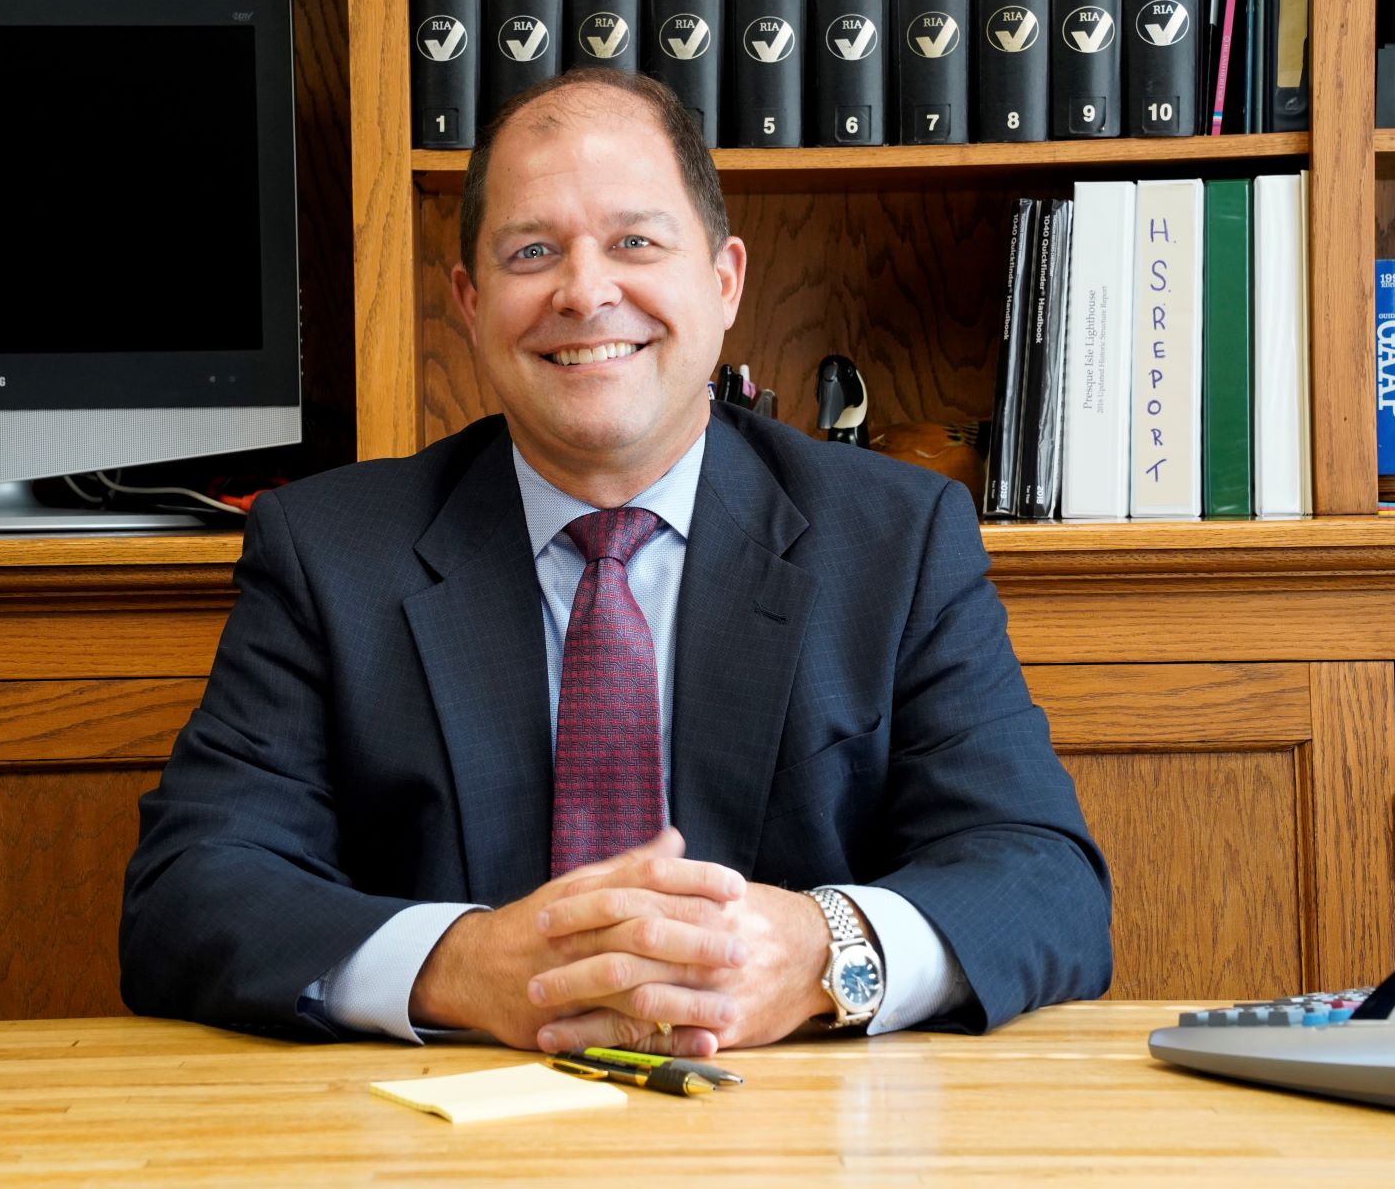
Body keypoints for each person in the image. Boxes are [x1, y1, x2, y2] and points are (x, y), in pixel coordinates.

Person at [120, 69, 1111, 1055]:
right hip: (450, 1131)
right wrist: (462, 964)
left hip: (799, 1129)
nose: (585, 291)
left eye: (635, 242)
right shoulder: (330, 551)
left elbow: (1042, 879)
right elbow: (190, 888)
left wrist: (821, 951)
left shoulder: (894, 538)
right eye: (531, 251)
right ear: (468, 301)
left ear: (722, 280)